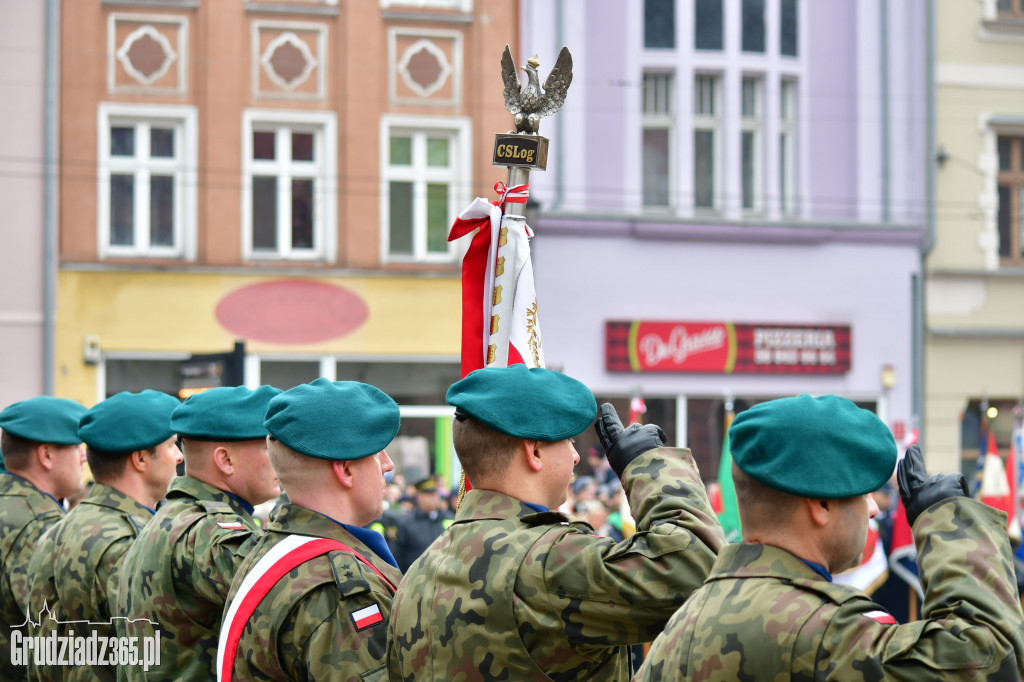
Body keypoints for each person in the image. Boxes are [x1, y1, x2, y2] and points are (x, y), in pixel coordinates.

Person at [636, 393, 1024, 680]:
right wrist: (950, 524)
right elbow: (991, 658)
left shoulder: (682, 622)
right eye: (861, 494)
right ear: (821, 504)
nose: (873, 509)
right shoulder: (822, 630)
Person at [387, 365, 726, 681]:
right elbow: (699, 569)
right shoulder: (548, 561)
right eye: (568, 441)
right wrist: (650, 467)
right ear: (534, 453)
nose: (576, 456)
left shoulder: (416, 577)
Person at [218, 378, 403, 682]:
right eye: (377, 451)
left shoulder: (268, 550)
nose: (389, 464)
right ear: (345, 471)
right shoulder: (337, 589)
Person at [115, 385, 282, 681]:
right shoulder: (212, 533)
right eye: (269, 445)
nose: (281, 458)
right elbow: (292, 618)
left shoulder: (172, 517)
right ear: (225, 460)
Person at [43, 389, 181, 682]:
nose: (180, 456)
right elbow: (153, 661)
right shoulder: (132, 544)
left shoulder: (56, 530)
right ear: (141, 458)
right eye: (171, 446)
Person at [0, 396, 87, 681]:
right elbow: (53, 641)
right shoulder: (41, 526)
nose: (84, 457)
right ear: (46, 455)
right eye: (76, 447)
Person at [391, 476, 453, 571]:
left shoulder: (449, 518)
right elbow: (398, 555)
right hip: (416, 579)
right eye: (428, 494)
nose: (433, 498)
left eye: (434, 494)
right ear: (419, 497)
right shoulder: (406, 522)